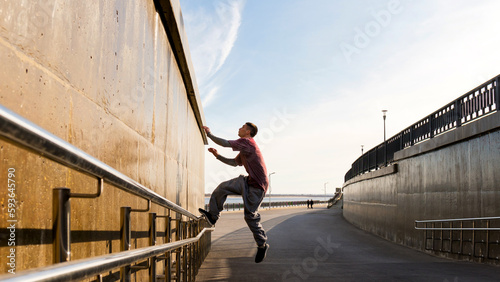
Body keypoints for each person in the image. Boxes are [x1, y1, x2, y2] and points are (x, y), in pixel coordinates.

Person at [199, 123, 269, 263]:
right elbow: (233, 163)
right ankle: (213, 216)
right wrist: (217, 156)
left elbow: (225, 143)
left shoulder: (247, 142)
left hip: (257, 187)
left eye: (242, 127)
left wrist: (209, 133)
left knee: (250, 217)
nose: (239, 128)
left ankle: (262, 245)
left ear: (248, 131)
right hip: (247, 182)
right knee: (221, 188)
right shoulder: (244, 148)